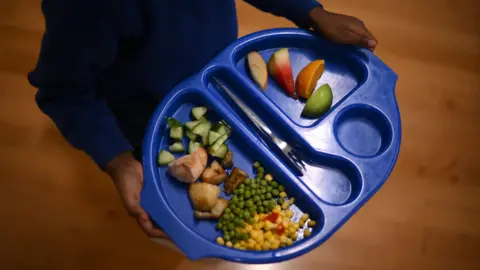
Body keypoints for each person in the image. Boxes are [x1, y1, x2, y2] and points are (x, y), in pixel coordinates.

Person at [28, 0, 377, 239]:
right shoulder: (87, 8)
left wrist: (309, 11)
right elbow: (62, 91)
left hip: (217, 82)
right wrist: (117, 160)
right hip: (148, 123)